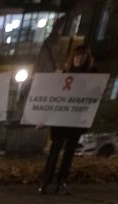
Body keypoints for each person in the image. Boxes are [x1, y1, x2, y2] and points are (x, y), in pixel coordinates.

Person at [39, 46, 96, 195]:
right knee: (54, 152)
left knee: (69, 154)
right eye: (77, 56)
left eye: (82, 56)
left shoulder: (91, 76)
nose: (79, 58)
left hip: (75, 121)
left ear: (87, 58)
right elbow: (52, 99)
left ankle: (61, 181)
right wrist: (44, 118)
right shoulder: (63, 74)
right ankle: (46, 181)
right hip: (59, 120)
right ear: (73, 57)